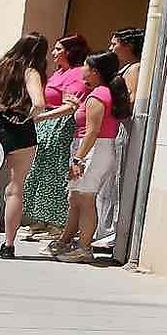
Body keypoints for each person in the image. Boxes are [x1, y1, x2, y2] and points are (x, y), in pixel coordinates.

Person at [57, 51, 131, 264]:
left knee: (86, 199)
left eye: (87, 67)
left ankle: (84, 247)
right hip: (92, 149)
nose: (83, 71)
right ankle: (67, 240)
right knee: (76, 198)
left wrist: (78, 159)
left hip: (94, 150)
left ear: (95, 72)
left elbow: (92, 131)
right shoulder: (100, 92)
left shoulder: (99, 94)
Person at [0, 33, 49, 260]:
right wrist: (28, 116)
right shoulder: (30, 72)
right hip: (20, 126)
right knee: (15, 187)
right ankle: (8, 245)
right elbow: (39, 103)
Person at [24, 34, 90, 242]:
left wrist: (41, 117)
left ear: (70, 51)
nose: (54, 53)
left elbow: (70, 105)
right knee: (40, 170)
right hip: (45, 124)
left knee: (55, 172)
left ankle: (55, 223)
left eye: (59, 49)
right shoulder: (58, 73)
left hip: (60, 124)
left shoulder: (77, 74)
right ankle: (39, 219)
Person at [96, 28, 144, 248]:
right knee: (109, 180)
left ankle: (113, 230)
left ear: (128, 46)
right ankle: (104, 228)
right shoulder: (124, 69)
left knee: (117, 179)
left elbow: (131, 99)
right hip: (117, 128)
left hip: (123, 128)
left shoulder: (134, 69)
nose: (111, 47)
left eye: (115, 43)